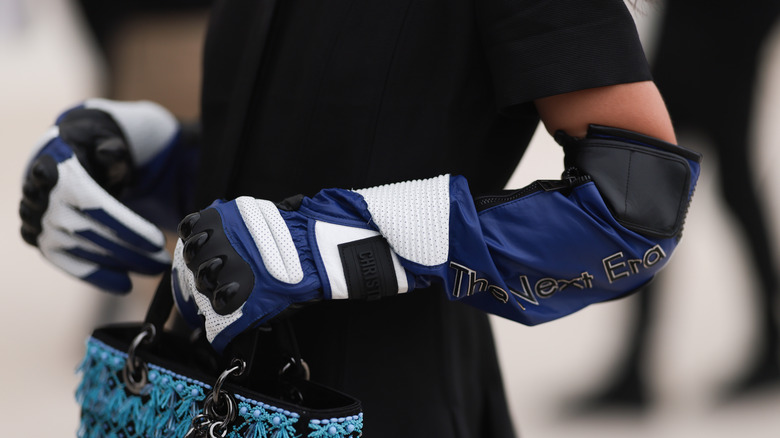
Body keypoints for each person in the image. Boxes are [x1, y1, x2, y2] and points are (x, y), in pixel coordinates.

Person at [18, 0, 701, 436]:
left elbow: (633, 207)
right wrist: (148, 161)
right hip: (201, 397)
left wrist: (333, 244)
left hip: (394, 406)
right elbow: (304, 152)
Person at [574, 0, 780, 410]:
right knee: (706, 191)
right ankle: (769, 343)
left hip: (708, 40)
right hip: (718, 37)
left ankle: (636, 366)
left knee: (654, 194)